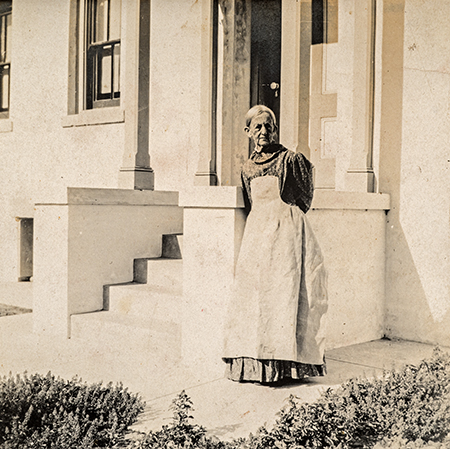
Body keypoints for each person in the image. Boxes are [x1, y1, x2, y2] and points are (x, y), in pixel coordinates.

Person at [222, 105, 328, 384]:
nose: (263, 132)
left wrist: (287, 225)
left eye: (269, 126)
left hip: (286, 235)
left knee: (284, 296)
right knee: (254, 299)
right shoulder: (246, 168)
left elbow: (304, 200)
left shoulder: (290, 160)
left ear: (276, 129)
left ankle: (285, 366)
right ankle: (256, 366)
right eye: (257, 127)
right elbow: (250, 202)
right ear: (247, 132)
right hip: (258, 237)